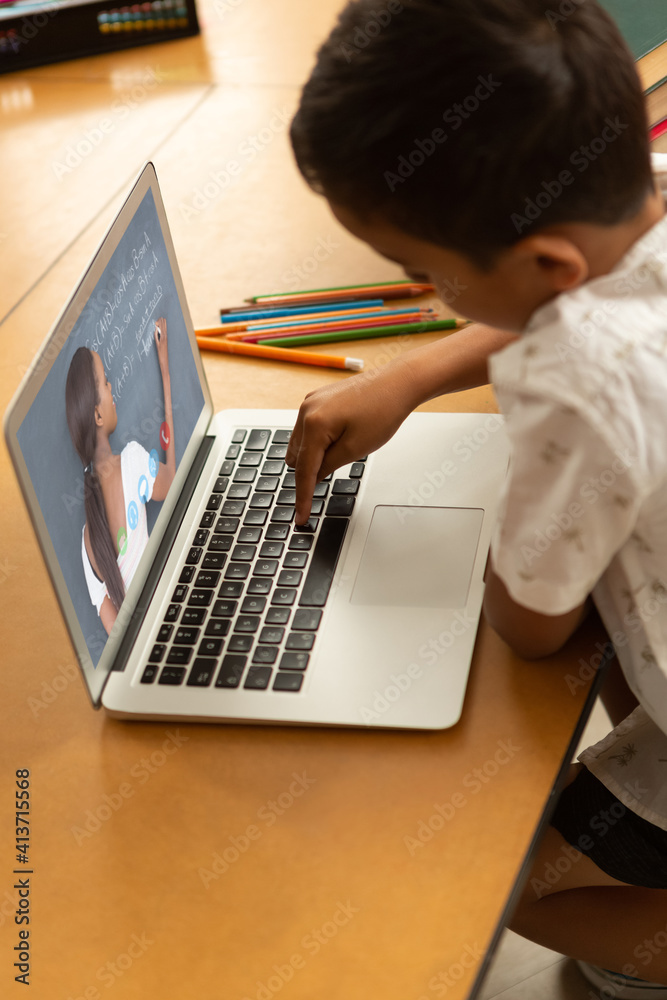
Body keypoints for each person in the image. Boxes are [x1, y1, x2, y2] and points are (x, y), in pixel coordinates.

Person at [284, 0, 667, 994]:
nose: (432, 293)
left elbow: (533, 624)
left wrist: (505, 544)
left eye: (428, 275)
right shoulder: (645, 202)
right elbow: (589, 290)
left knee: (504, 875)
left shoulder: (574, 385)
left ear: (543, 263)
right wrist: (411, 378)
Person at [65, 318, 175, 635]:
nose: (112, 388)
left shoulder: (87, 540)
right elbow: (172, 480)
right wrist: (165, 374)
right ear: (97, 415)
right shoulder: (132, 460)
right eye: (105, 382)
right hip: (170, 608)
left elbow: (116, 636)